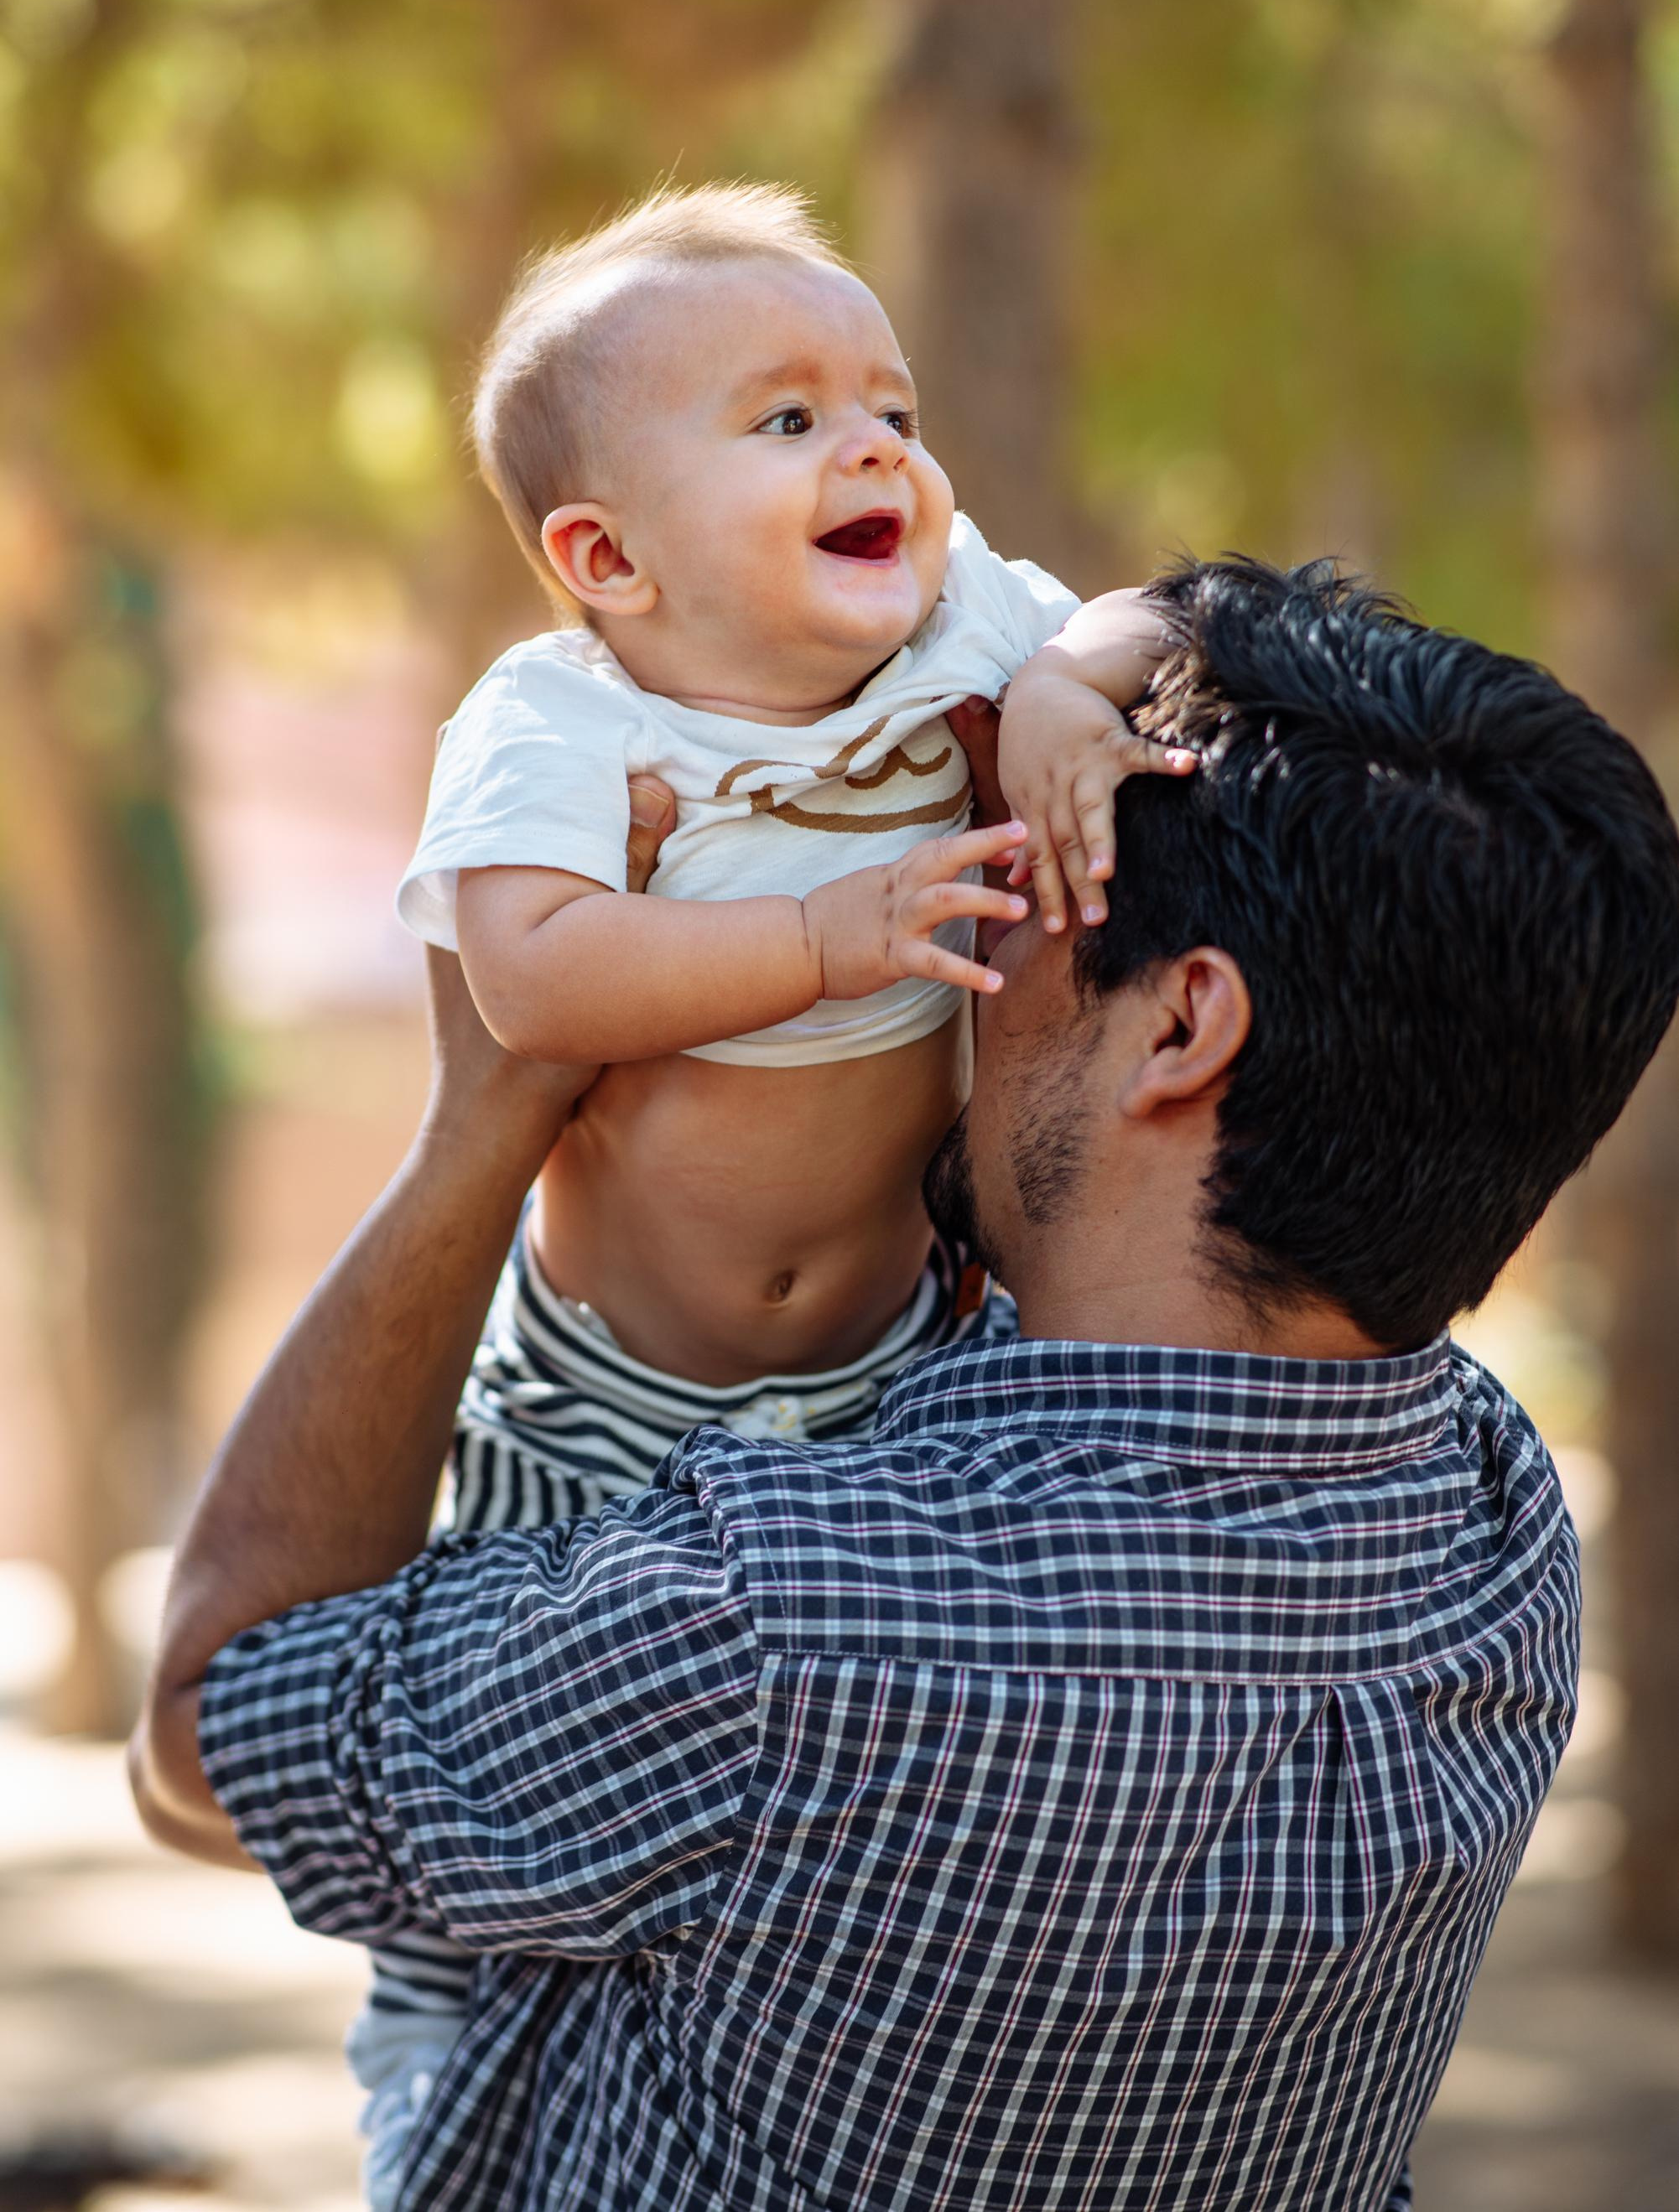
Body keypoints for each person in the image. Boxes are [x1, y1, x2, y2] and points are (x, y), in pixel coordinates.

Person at [133, 555, 1679, 2212]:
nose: (978, 919)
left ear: (1181, 1031)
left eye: (1026, 872)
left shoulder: (777, 1626)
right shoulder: (1490, 1525)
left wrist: (478, 1132)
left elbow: (208, 1739)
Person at [345, 179, 1191, 2193]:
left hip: (889, 1374)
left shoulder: (959, 624)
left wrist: (1069, 690)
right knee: (495, 1785)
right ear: (601, 558)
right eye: (787, 420)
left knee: (805, 1798)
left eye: (884, 402)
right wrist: (820, 938)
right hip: (602, 1405)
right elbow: (534, 970)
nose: (873, 446)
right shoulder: (556, 718)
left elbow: (1172, 611)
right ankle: (435, 2058)